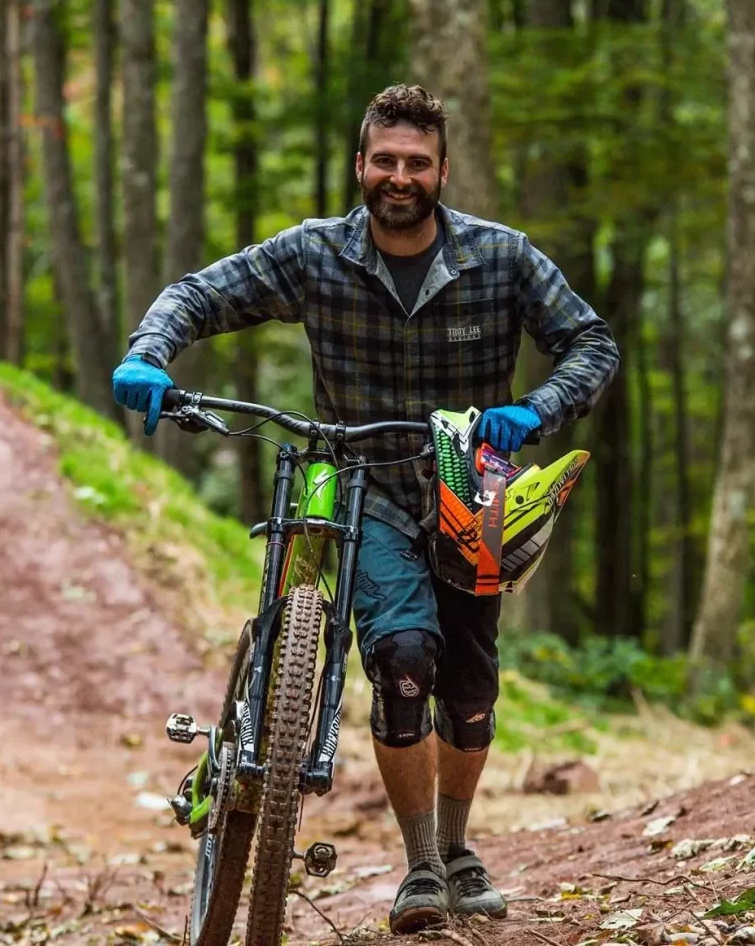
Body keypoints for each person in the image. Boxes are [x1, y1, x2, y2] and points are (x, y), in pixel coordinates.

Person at [113, 84, 619, 934]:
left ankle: (456, 849)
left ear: (443, 172)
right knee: (403, 657)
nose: (400, 176)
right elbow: (200, 292)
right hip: (362, 487)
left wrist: (536, 410)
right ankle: (420, 866)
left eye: (417, 163)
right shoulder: (315, 255)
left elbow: (590, 341)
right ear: (360, 166)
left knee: (469, 692)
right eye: (385, 160)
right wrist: (149, 353)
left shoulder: (502, 259)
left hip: (471, 492)